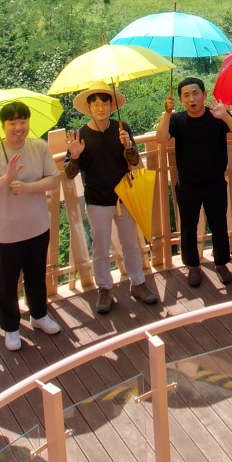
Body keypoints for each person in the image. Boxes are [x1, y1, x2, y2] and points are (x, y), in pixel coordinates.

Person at [0, 103, 64, 352]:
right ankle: (11, 327)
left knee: (36, 276)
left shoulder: (39, 147)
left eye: (23, 122)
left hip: (37, 226)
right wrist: (6, 178)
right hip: (6, 234)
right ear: (3, 126)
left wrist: (26, 188)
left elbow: (53, 179)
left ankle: (39, 315)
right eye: (12, 123)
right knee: (7, 284)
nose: (18, 127)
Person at [64, 87, 158, 313]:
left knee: (131, 243)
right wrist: (75, 156)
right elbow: (68, 173)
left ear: (111, 106)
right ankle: (104, 288)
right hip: (97, 199)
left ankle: (138, 283)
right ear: (89, 108)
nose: (100, 108)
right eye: (95, 104)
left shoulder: (122, 128)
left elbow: (134, 161)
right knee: (100, 247)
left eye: (104, 103)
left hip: (124, 195)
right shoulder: (80, 135)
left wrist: (128, 146)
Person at [159, 76, 232, 288]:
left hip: (215, 182)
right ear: (180, 100)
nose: (192, 98)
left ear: (204, 95)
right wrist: (167, 114)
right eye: (186, 95)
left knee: (219, 225)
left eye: (196, 93)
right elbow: (160, 139)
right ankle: (193, 266)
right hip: (188, 184)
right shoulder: (177, 120)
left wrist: (225, 116)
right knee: (188, 227)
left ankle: (221, 263)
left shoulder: (216, 115)